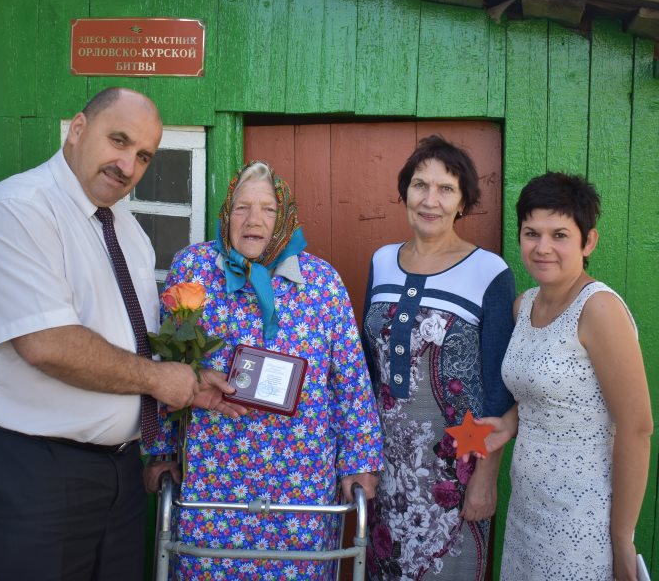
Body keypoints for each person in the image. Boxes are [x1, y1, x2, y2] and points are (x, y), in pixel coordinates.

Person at [0, 87, 239, 581]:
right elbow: (47, 343)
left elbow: (132, 342)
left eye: (144, 155)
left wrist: (188, 380)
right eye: (118, 141)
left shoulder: (129, 232)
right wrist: (155, 379)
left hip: (119, 473)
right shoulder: (19, 210)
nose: (128, 165)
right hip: (30, 467)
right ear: (78, 129)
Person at [144, 160, 383, 579]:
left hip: (301, 485)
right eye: (241, 208)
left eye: (268, 209)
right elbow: (169, 363)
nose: (254, 220)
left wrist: (360, 464)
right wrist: (161, 451)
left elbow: (350, 382)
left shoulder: (321, 282)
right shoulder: (194, 270)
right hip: (215, 479)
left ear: (285, 216)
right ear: (225, 214)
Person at [476, 173, 652, 580]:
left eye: (559, 234)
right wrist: (507, 423)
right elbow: (549, 392)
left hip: (582, 518)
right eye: (531, 233)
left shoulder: (599, 310)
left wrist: (622, 538)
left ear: (587, 241)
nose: (542, 248)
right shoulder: (525, 304)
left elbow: (637, 427)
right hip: (527, 510)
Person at [361, 135, 516, 579]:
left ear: (463, 200)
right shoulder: (383, 261)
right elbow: (369, 371)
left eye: (446, 188)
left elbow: (499, 389)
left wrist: (486, 478)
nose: (430, 200)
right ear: (404, 192)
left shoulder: (489, 271)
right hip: (386, 470)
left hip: (456, 475)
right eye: (419, 185)